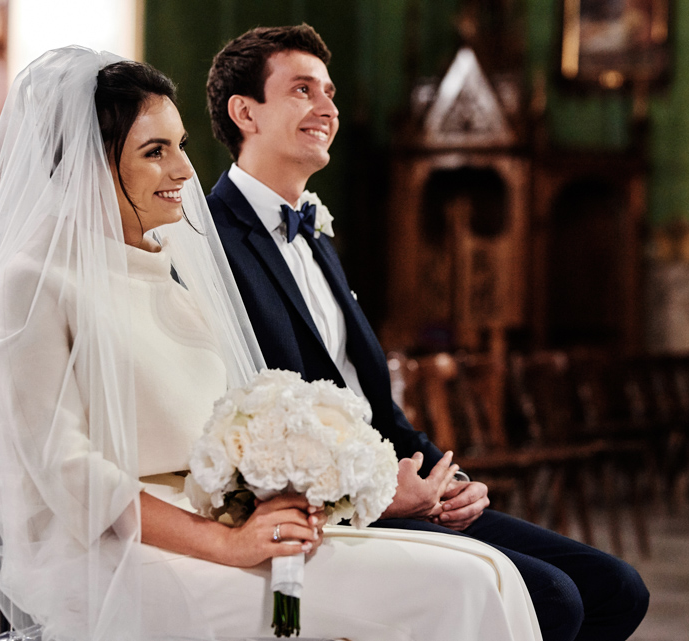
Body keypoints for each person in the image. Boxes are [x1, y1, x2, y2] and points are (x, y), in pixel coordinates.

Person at [0, 46, 543, 641]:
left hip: (218, 521)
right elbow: (64, 471)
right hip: (121, 553)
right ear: (89, 166)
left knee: (491, 573)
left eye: (181, 145)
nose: (184, 171)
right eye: (155, 152)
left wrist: (289, 498)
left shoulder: (169, 272)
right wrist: (224, 542)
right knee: (457, 588)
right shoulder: (31, 283)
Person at [206, 24, 649, 641]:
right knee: (553, 599)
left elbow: (372, 403)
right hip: (326, 509)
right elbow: (235, 422)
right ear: (245, 112)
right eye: (302, 90)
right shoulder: (211, 243)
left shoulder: (317, 234)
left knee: (617, 589)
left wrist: (450, 480)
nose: (327, 107)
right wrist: (374, 493)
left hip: (398, 483)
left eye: (329, 91)